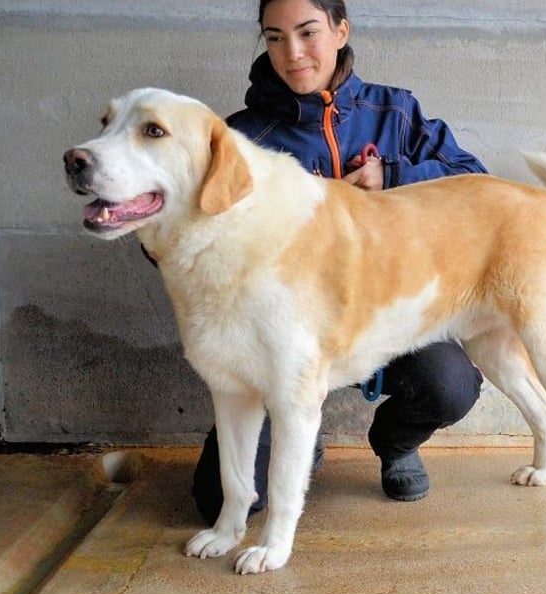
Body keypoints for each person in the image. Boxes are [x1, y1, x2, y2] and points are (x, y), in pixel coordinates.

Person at [182, 0, 486, 525]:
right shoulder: (241, 138)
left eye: (307, 32)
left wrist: (391, 175)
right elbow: (196, 228)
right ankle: (301, 434)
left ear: (341, 30)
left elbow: (472, 182)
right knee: (219, 502)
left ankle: (395, 442)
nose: (292, 53)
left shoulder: (396, 112)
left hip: (394, 316)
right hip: (281, 340)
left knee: (450, 385)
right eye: (274, 37)